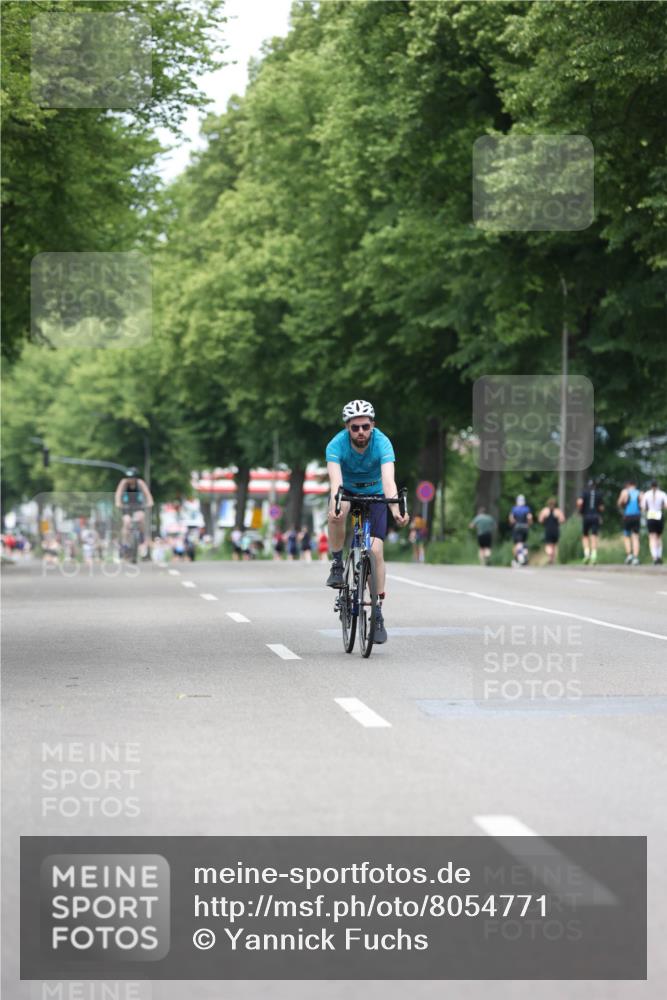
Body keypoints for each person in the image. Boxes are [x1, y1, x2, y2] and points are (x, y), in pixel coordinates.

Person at [325, 399, 409, 644]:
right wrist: (336, 506)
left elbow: (389, 481)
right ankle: (337, 564)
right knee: (338, 508)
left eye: (365, 426)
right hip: (348, 491)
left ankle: (377, 611)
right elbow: (335, 483)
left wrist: (396, 511)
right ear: (347, 428)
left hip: (375, 495)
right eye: (355, 428)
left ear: (373, 425)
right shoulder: (336, 445)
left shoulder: (382, 442)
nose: (360, 432)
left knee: (376, 550)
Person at [114, 468, 153, 558]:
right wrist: (118, 502)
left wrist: (150, 502)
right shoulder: (124, 483)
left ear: (135, 477)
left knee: (141, 517)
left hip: (138, 506)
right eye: (128, 477)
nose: (130, 479)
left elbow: (147, 493)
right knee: (126, 521)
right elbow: (118, 493)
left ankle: (143, 539)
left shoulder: (140, 483)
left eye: (132, 477)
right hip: (126, 506)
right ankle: (125, 543)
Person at [577, 478, 604, 564]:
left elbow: (580, 502)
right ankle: (594, 555)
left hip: (586, 516)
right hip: (595, 517)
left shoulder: (584, 492)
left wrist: (580, 511)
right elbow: (601, 508)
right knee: (594, 535)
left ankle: (587, 554)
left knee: (585, 536)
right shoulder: (599, 493)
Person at [617, 479, 643, 565]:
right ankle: (635, 557)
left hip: (627, 516)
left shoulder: (625, 492)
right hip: (636, 517)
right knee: (635, 537)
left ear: (628, 485)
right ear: (635, 485)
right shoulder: (640, 493)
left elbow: (619, 503)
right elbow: (642, 505)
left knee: (627, 536)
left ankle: (629, 555)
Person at [642, 479, 667, 565]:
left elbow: (643, 507)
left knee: (652, 537)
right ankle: (659, 556)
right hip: (659, 515)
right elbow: (666, 505)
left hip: (650, 516)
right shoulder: (662, 494)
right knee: (659, 537)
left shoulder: (646, 494)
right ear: (658, 485)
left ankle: (654, 557)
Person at [537, 497, 565, 565]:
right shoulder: (557, 511)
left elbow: (540, 520)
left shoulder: (545, 511)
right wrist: (557, 521)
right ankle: (552, 559)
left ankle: (550, 555)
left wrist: (544, 521)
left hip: (548, 529)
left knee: (548, 545)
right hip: (555, 529)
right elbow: (562, 520)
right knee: (554, 545)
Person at [508, 494, 533, 567]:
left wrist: (513, 524)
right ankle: (524, 558)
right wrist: (529, 524)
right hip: (525, 527)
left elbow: (511, 518)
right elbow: (529, 517)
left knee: (518, 543)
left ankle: (519, 559)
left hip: (517, 527)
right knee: (523, 543)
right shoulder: (526, 509)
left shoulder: (514, 509)